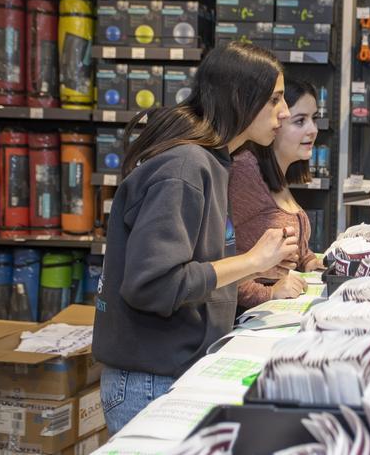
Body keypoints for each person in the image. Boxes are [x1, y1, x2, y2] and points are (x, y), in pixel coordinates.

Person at [92, 43, 299, 434]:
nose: (284, 112)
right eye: (274, 99)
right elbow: (153, 284)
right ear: (241, 98)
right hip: (150, 383)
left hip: (172, 372)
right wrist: (253, 261)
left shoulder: (213, 161)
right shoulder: (185, 166)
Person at [229, 78, 325, 309]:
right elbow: (217, 266)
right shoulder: (246, 171)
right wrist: (268, 292)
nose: (313, 130)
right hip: (246, 323)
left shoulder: (276, 175)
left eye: (314, 119)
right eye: (300, 121)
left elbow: (287, 246)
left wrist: (309, 260)